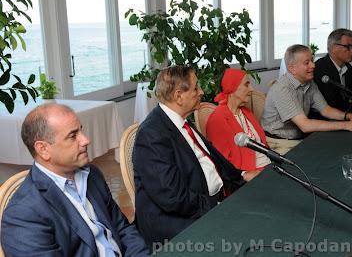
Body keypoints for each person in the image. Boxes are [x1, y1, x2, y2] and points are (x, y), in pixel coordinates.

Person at [1, 104, 149, 257]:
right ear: (43, 149)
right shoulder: (23, 214)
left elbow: (122, 228)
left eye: (81, 130)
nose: (85, 140)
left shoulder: (92, 175)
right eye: (73, 136)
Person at [133, 66, 255, 248]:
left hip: (206, 201)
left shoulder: (181, 122)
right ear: (178, 96)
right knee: (250, 235)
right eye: (196, 88)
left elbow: (213, 160)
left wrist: (242, 175)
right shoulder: (151, 135)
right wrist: (219, 206)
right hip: (178, 223)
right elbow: (173, 198)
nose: (202, 92)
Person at [261, 44, 352, 140]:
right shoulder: (282, 89)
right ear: (292, 68)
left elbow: (326, 110)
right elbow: (305, 125)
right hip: (279, 141)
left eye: (312, 60)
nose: (313, 65)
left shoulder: (309, 83)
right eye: (307, 63)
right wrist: (348, 125)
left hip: (300, 137)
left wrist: (351, 117)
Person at [206, 68, 271, 171]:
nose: (251, 89)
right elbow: (223, 162)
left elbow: (263, 144)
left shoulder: (245, 111)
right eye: (246, 84)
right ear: (232, 88)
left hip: (269, 163)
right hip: (252, 173)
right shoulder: (217, 119)